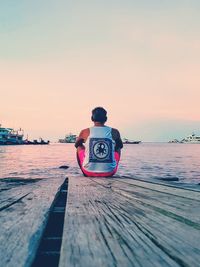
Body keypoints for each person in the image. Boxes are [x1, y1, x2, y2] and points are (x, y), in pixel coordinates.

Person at [75, 107, 123, 177]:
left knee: (79, 146)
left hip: (88, 172)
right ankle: (110, 166)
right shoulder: (114, 131)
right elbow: (120, 146)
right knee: (117, 147)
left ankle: (84, 170)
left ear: (92, 118)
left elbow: (77, 145)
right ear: (106, 119)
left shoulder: (85, 131)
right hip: (110, 172)